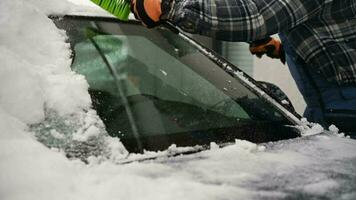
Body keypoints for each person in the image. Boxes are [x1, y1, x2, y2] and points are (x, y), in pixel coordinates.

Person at [130, 0, 356, 136]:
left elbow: (255, 16)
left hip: (347, 111)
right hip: (331, 107)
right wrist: (281, 48)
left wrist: (171, 7)